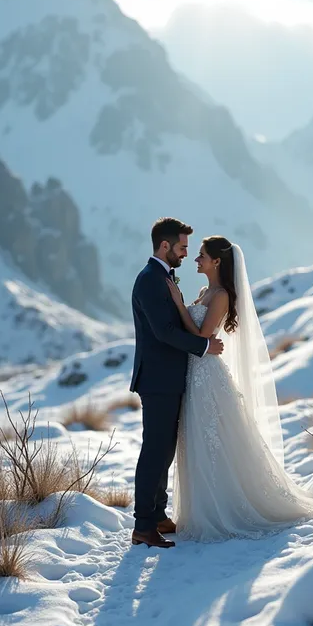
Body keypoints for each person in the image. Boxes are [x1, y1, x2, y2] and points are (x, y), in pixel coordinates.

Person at [167, 236, 313, 542]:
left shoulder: (222, 295)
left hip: (207, 375)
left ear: (217, 262)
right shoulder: (203, 292)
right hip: (193, 373)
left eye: (201, 256)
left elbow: (202, 334)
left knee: (215, 438)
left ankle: (226, 508)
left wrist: (176, 302)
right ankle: (201, 508)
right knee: (198, 439)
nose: (196, 260)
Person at [130, 218, 224, 549]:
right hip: (157, 380)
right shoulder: (150, 280)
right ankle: (143, 526)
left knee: (165, 450)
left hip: (169, 378)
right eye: (183, 247)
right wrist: (204, 346)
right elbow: (163, 332)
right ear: (165, 246)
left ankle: (157, 514)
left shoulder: (163, 277)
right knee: (155, 451)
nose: (186, 254)